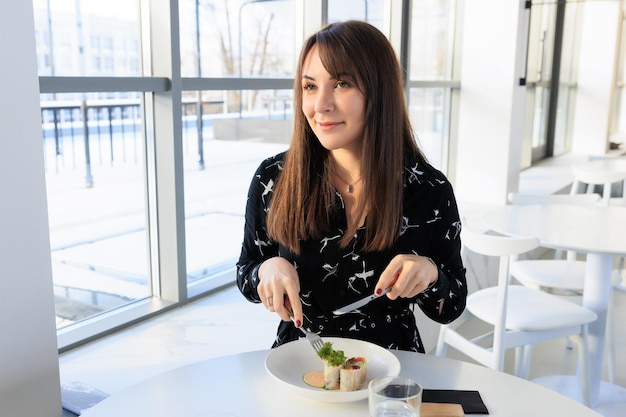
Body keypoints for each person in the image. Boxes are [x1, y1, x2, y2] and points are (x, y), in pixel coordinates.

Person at [236, 20, 466, 353]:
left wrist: (430, 274)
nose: (320, 105)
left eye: (342, 84)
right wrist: (266, 270)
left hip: (393, 370)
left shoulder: (429, 190)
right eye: (310, 86)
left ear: (379, 91)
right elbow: (247, 271)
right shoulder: (274, 177)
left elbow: (452, 304)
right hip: (299, 361)